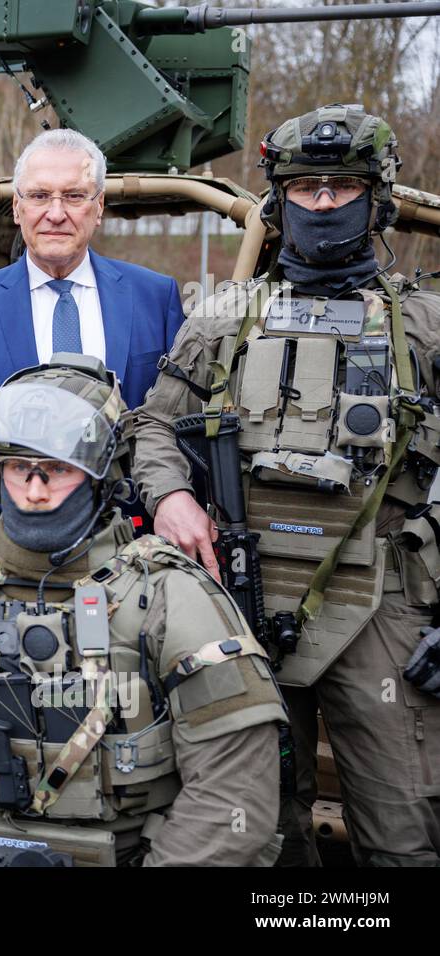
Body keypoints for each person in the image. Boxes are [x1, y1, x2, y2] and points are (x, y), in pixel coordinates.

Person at [134, 104, 440, 865]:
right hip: (240, 596)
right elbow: (152, 428)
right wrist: (170, 497)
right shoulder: (223, 318)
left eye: (343, 186)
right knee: (255, 829)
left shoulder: (427, 324)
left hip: (386, 609)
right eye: (307, 187)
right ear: (280, 200)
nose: (325, 203)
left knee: (404, 830)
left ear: (378, 199)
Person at [0, 355, 287, 866]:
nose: (35, 490)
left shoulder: (171, 597)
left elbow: (232, 799)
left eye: (59, 469)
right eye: (20, 467)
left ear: (101, 476)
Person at [0, 128, 185, 546]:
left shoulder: (155, 297)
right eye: (40, 196)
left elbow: (175, 419)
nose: (56, 212)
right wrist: (17, 487)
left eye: (75, 196)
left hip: (125, 543)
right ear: (17, 208)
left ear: (98, 207)